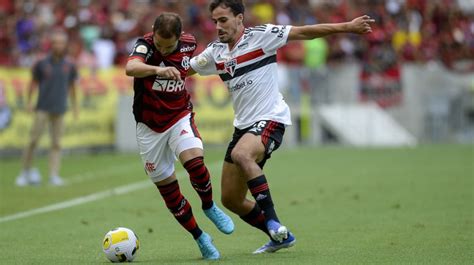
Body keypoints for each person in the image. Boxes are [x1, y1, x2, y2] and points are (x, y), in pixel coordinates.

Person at [189, 0, 374, 254]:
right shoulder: (215, 52)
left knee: (241, 154)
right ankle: (279, 237)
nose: (218, 26)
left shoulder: (263, 36)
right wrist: (152, 68)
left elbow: (304, 32)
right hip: (243, 126)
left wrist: (348, 26)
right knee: (230, 199)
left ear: (240, 18)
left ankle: (274, 221)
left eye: (223, 20)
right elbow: (184, 69)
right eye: (215, 21)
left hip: (271, 118)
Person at [125, 13, 234, 260]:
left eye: (169, 46)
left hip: (179, 117)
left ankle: (209, 206)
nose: (163, 50)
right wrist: (158, 71)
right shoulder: (145, 45)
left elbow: (191, 65)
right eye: (160, 44)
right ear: (153, 32)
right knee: (169, 190)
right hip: (149, 127)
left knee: (195, 163)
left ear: (179, 37)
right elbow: (130, 67)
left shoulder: (189, 43)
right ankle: (200, 237)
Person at [16, 30, 79, 187]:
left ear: (65, 45)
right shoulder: (42, 63)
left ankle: (54, 175)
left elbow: (72, 87)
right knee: (33, 141)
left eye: (62, 42)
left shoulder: (70, 65)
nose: (59, 45)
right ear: (51, 44)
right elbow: (33, 83)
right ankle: (25, 172)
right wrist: (29, 102)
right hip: (42, 108)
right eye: (56, 42)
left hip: (60, 109)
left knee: (56, 144)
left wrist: (75, 106)